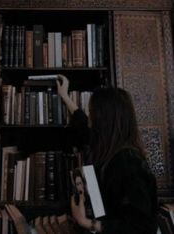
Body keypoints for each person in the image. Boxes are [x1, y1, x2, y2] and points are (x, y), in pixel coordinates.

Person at [56, 74, 158, 234]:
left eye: (92, 113)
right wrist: (65, 96)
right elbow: (83, 127)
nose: (90, 118)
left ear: (104, 120)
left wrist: (87, 222)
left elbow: (141, 228)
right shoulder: (110, 150)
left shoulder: (128, 163)